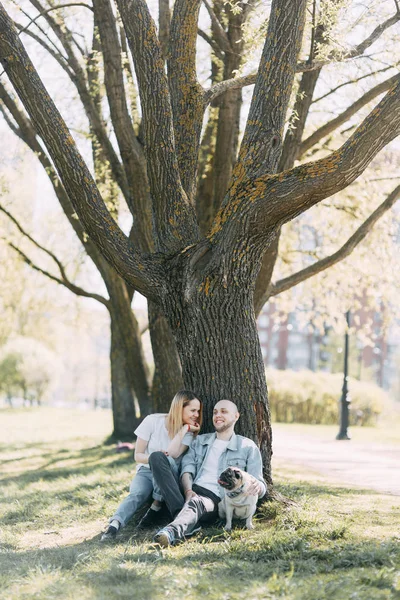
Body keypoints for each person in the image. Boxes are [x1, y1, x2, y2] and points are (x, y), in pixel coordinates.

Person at [152, 399, 267, 546]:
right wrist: (188, 491)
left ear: (236, 416)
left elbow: (260, 484)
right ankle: (189, 521)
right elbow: (187, 469)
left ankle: (171, 531)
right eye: (215, 412)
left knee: (196, 502)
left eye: (224, 411)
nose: (218, 415)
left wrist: (258, 487)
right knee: (157, 457)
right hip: (188, 489)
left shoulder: (247, 447)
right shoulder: (199, 441)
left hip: (214, 500)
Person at [100, 390, 202, 541]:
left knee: (159, 459)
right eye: (192, 410)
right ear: (179, 407)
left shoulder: (189, 433)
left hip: (169, 475)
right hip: (145, 471)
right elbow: (138, 456)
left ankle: (166, 512)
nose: (196, 415)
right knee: (137, 494)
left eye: (198, 411)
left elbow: (172, 454)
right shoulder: (152, 421)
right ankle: (114, 526)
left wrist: (184, 429)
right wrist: (154, 458)